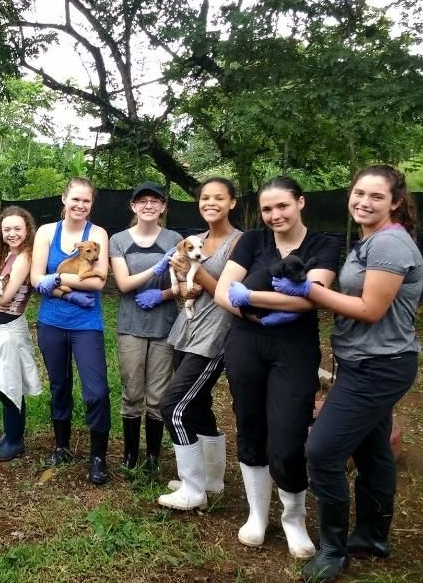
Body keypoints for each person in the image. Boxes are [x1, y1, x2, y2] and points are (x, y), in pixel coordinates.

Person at [271, 165, 423, 583]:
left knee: (321, 452)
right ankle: (373, 537)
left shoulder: (390, 244)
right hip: (367, 362)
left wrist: (310, 291)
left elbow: (371, 311)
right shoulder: (370, 240)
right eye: (359, 193)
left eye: (376, 196)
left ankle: (334, 550)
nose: (363, 201)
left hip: (378, 368)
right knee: (374, 451)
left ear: (395, 202)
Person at [214, 176, 341, 557]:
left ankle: (293, 518)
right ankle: (257, 515)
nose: (274, 215)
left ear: (300, 202)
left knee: (286, 437)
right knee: (250, 423)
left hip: (294, 348)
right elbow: (222, 292)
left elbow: (310, 298)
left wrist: (251, 295)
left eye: (282, 206)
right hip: (246, 341)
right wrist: (255, 314)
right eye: (267, 209)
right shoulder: (251, 241)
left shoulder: (324, 243)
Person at [155, 178, 241, 509]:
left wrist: (195, 271)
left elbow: (228, 292)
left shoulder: (239, 243)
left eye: (219, 198)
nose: (211, 202)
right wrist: (183, 283)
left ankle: (192, 488)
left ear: (232, 203)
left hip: (213, 335)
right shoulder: (197, 239)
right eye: (205, 197)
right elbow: (187, 288)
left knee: (172, 405)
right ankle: (211, 480)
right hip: (186, 329)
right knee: (199, 403)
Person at [31, 177, 112, 485]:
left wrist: (57, 280)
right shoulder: (46, 232)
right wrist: (51, 280)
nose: (80, 206)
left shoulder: (98, 234)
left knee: (96, 391)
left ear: (91, 204)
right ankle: (62, 446)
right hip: (51, 321)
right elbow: (36, 279)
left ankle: (97, 457)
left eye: (86, 201)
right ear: (64, 199)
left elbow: (99, 281)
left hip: (86, 324)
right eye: (75, 199)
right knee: (59, 386)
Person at [109, 181, 182, 477]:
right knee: (132, 392)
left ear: (163, 207)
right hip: (131, 326)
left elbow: (184, 284)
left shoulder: (175, 238)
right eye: (142, 201)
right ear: (133, 206)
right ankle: (130, 454)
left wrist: (162, 294)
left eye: (155, 201)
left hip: (165, 325)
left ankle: (152, 455)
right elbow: (124, 284)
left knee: (158, 395)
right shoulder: (119, 240)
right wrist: (156, 269)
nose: (148, 205)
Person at [0, 206, 42, 461]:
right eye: (7, 229)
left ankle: (15, 440)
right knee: (2, 384)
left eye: (17, 229)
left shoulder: (24, 257)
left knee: (10, 385)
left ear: (27, 230)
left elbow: (4, 297)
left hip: (11, 330)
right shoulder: (6, 256)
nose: (12, 234)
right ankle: (9, 433)